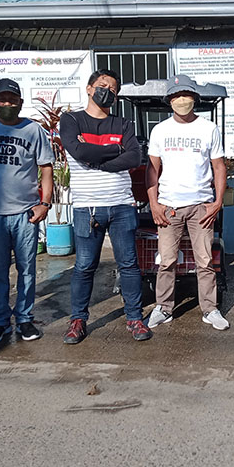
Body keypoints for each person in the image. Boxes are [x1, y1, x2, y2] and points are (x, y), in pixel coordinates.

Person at [59, 69, 150, 344]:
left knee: (130, 265)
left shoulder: (122, 123)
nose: (107, 92)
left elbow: (134, 156)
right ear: (89, 88)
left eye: (113, 89)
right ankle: (78, 320)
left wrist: (96, 159)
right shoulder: (71, 119)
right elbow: (78, 151)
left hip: (121, 204)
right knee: (85, 266)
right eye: (102, 86)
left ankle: (134, 318)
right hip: (87, 207)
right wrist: (115, 151)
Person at [0, 78, 54, 345]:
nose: (7, 104)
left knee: (27, 270)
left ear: (20, 102)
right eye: (2, 99)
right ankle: (1, 321)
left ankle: (24, 319)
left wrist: (45, 203)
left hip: (26, 213)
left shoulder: (33, 130)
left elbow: (46, 168)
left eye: (12, 100)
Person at [146, 74, 229, 331]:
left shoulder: (208, 128)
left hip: (200, 206)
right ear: (170, 100)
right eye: (177, 95)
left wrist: (217, 203)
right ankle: (163, 307)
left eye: (186, 95)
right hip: (169, 206)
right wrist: (154, 204)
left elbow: (219, 167)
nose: (182, 100)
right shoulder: (160, 130)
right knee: (166, 260)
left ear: (194, 98)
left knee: (205, 261)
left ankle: (210, 309)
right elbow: (151, 170)